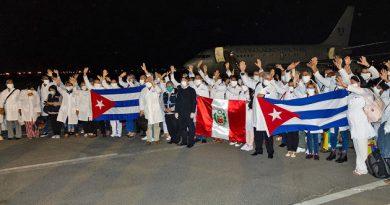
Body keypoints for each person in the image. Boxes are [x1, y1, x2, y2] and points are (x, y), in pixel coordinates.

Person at [337, 75, 376, 176]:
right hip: (354, 126)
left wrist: (347, 86)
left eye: (354, 81)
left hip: (362, 125)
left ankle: (363, 169)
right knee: (357, 148)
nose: (352, 83)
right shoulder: (350, 95)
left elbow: (360, 91)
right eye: (351, 81)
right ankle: (360, 167)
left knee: (362, 148)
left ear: (359, 82)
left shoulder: (366, 91)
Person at [139, 75, 163, 144]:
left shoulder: (155, 88)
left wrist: (153, 83)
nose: (147, 82)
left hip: (156, 110)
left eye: (149, 80)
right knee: (148, 125)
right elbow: (141, 100)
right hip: (148, 110)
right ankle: (149, 139)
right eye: (146, 81)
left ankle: (156, 139)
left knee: (156, 125)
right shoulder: (143, 90)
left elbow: (159, 91)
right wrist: (141, 109)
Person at [175, 77, 197, 148]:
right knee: (182, 128)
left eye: (184, 80)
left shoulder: (192, 90)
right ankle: (184, 141)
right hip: (181, 112)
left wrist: (193, 112)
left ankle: (191, 142)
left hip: (189, 112)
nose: (183, 81)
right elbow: (177, 102)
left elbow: (194, 102)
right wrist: (176, 111)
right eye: (182, 80)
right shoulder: (180, 90)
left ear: (188, 82)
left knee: (191, 128)